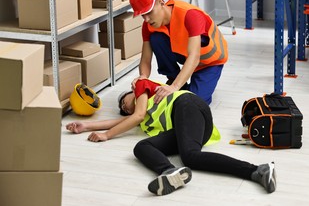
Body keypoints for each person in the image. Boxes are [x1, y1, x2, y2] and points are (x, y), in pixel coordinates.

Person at [66, 79, 276, 195]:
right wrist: (86, 125)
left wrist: (106, 136)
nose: (124, 107)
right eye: (122, 109)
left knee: (190, 156)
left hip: (187, 106)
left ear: (133, 92)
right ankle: (170, 172)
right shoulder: (143, 117)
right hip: (189, 128)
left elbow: (135, 114)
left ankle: (257, 170)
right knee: (142, 147)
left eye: (124, 101)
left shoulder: (142, 86)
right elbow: (125, 120)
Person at [129, 0, 229, 105]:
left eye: (149, 12)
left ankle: (179, 85)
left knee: (196, 103)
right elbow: (145, 59)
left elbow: (195, 56)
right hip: (185, 54)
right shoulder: (148, 25)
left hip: (209, 62)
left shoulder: (190, 15)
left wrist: (174, 87)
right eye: (142, 15)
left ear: (161, 2)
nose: (146, 19)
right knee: (156, 38)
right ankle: (174, 78)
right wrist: (143, 76)